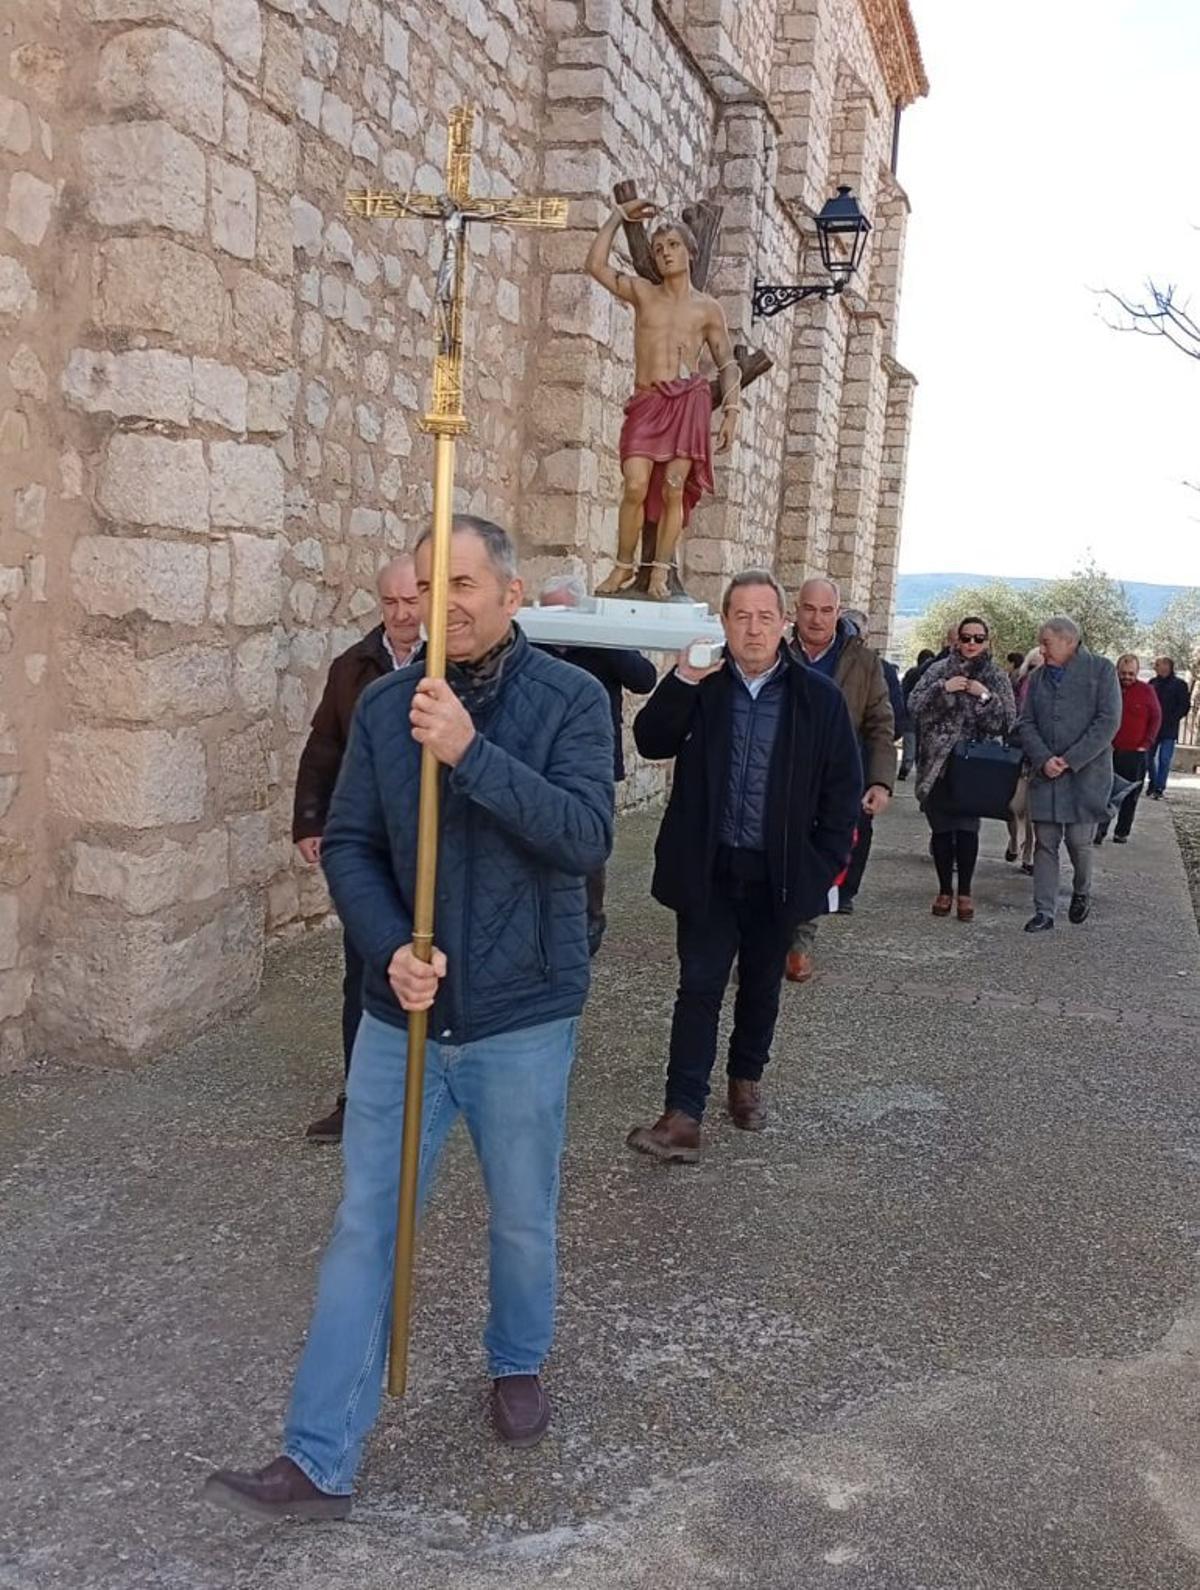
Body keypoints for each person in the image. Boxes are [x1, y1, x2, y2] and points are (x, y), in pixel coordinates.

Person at [203, 519, 615, 1519]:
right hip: (404, 1020)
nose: (449, 604)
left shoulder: (572, 701)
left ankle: (515, 1360)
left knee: (521, 1217)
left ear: (511, 594)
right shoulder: (386, 707)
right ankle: (318, 1455)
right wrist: (390, 945)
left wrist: (471, 754)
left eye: (467, 583)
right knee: (366, 1229)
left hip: (521, 1015)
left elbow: (581, 835)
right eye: (431, 586)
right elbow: (348, 844)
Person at [623, 570, 861, 1164]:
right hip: (709, 868)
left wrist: (819, 870)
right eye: (740, 617)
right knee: (698, 987)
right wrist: (679, 679)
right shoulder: (702, 686)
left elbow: (841, 793)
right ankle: (683, 1113)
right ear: (724, 624)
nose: (753, 629)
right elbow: (651, 740)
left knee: (760, 984)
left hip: (779, 875)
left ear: (782, 624)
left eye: (764, 617)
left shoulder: (818, 699)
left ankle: (746, 1079)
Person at [291, 555, 422, 1143]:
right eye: (390, 603)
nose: (400, 615)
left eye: (410, 602)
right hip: (370, 846)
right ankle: (361, 1096)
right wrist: (310, 820)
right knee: (365, 972)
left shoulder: (456, 665)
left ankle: (429, 1090)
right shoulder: (353, 667)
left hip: (434, 846)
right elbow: (324, 747)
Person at [586, 199, 739, 599]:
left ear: (690, 252)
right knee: (635, 484)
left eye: (672, 245)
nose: (665, 253)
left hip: (687, 402)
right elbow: (596, 266)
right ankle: (622, 566)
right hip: (648, 401)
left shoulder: (708, 308)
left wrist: (732, 411)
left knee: (673, 487)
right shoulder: (643, 293)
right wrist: (618, 216)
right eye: (658, 248)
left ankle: (658, 570)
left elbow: (726, 362)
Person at [534, 574, 658, 953]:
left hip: (593, 763)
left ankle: (589, 919)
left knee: (590, 844)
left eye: (565, 612)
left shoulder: (601, 644)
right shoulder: (533, 644)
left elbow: (644, 678)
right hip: (541, 759)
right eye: (551, 611)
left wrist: (601, 638)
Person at [785, 580, 894, 981]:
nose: (816, 618)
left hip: (833, 781)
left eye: (825, 610)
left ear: (837, 613)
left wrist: (880, 782)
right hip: (779, 774)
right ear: (796, 610)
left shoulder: (863, 662)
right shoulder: (777, 654)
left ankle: (801, 942)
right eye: (809, 609)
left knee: (817, 862)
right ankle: (764, 942)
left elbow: (881, 724)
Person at [1016, 616, 1121, 932]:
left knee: (1078, 841)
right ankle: (1044, 911)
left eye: (1046, 643)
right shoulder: (1037, 679)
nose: (1042, 650)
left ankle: (1081, 891)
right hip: (1046, 774)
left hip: (1085, 774)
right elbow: (1026, 723)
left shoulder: (1101, 671)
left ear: (1069, 641)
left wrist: (1071, 759)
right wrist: (1044, 758)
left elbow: (1108, 721)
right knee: (1045, 843)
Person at [907, 617, 1016, 921]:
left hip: (974, 765)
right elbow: (914, 707)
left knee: (967, 829)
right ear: (956, 640)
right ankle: (944, 889)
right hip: (937, 763)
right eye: (966, 638)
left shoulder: (995, 676)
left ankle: (965, 892)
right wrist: (944, 690)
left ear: (987, 642)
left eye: (978, 639)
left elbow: (1006, 721)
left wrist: (983, 696)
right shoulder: (938, 670)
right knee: (941, 829)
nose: (971, 644)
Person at [1094, 653, 1161, 845]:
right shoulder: (1108, 689)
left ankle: (1122, 831)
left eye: (1131, 673)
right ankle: (1100, 829)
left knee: (1130, 794)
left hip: (1135, 752)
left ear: (1137, 672)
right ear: (1117, 671)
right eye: (1123, 673)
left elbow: (1156, 718)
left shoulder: (1147, 691)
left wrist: (1146, 743)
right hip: (1109, 750)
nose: (1127, 677)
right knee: (1105, 791)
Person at [1006, 647, 1043, 874]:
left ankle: (1028, 852)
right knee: (1011, 806)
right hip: (1015, 751)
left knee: (1031, 811)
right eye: (1031, 667)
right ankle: (1013, 840)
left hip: (1036, 758)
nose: (1034, 672)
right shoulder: (1016, 685)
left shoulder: (1053, 691)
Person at [1148, 655, 1193, 798]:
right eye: (1157, 665)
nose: (1158, 667)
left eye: (1160, 664)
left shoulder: (1179, 684)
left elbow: (1184, 705)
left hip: (1169, 728)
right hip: (1152, 728)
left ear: (1168, 667)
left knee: (1164, 759)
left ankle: (1159, 787)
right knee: (1147, 758)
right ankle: (1153, 782)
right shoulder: (1152, 683)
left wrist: (1173, 718)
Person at [898, 648, 936, 781]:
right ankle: (919, 770)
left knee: (910, 743)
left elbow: (902, 692)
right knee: (921, 745)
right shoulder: (930, 675)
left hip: (910, 714)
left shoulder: (911, 673)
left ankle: (905, 769)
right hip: (923, 716)